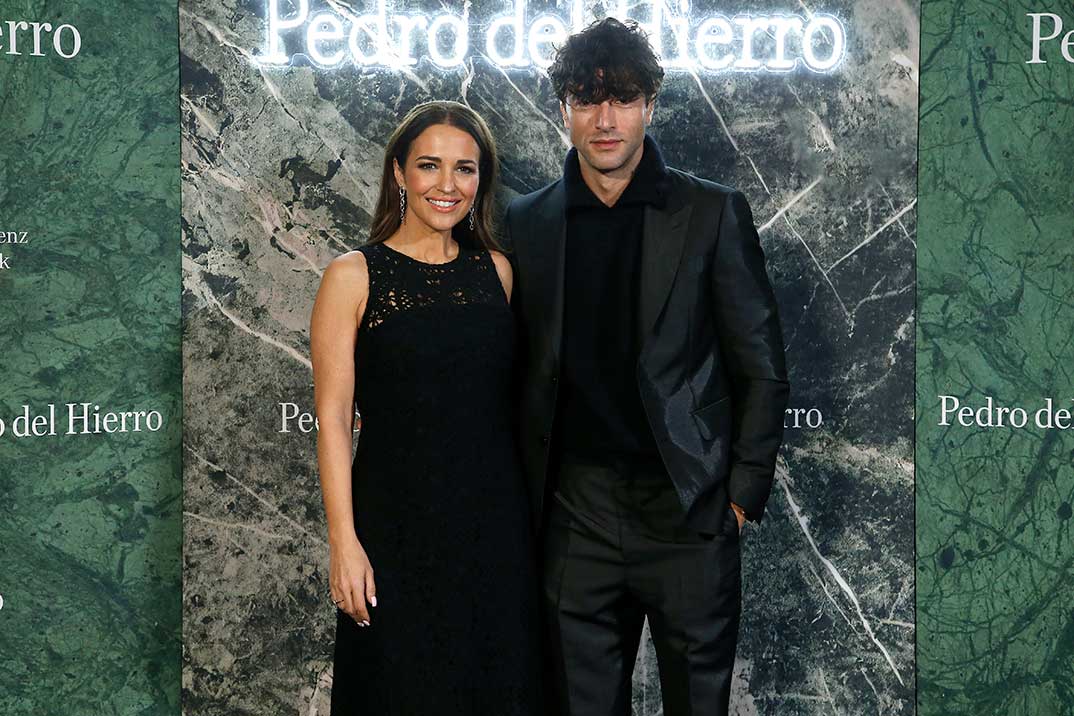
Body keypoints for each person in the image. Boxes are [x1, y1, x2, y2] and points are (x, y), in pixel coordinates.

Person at [502, 17, 791, 716]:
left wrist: (741, 493)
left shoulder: (711, 213)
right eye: (587, 98)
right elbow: (503, 366)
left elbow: (761, 364)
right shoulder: (526, 222)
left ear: (650, 105)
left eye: (623, 98)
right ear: (563, 108)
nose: (606, 119)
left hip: (687, 509)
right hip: (575, 515)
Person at [310, 100, 541, 715]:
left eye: (465, 169)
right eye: (429, 166)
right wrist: (344, 543)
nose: (447, 185)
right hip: (394, 532)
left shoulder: (499, 273)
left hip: (496, 534)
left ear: (480, 181)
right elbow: (333, 420)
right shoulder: (352, 276)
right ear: (398, 174)